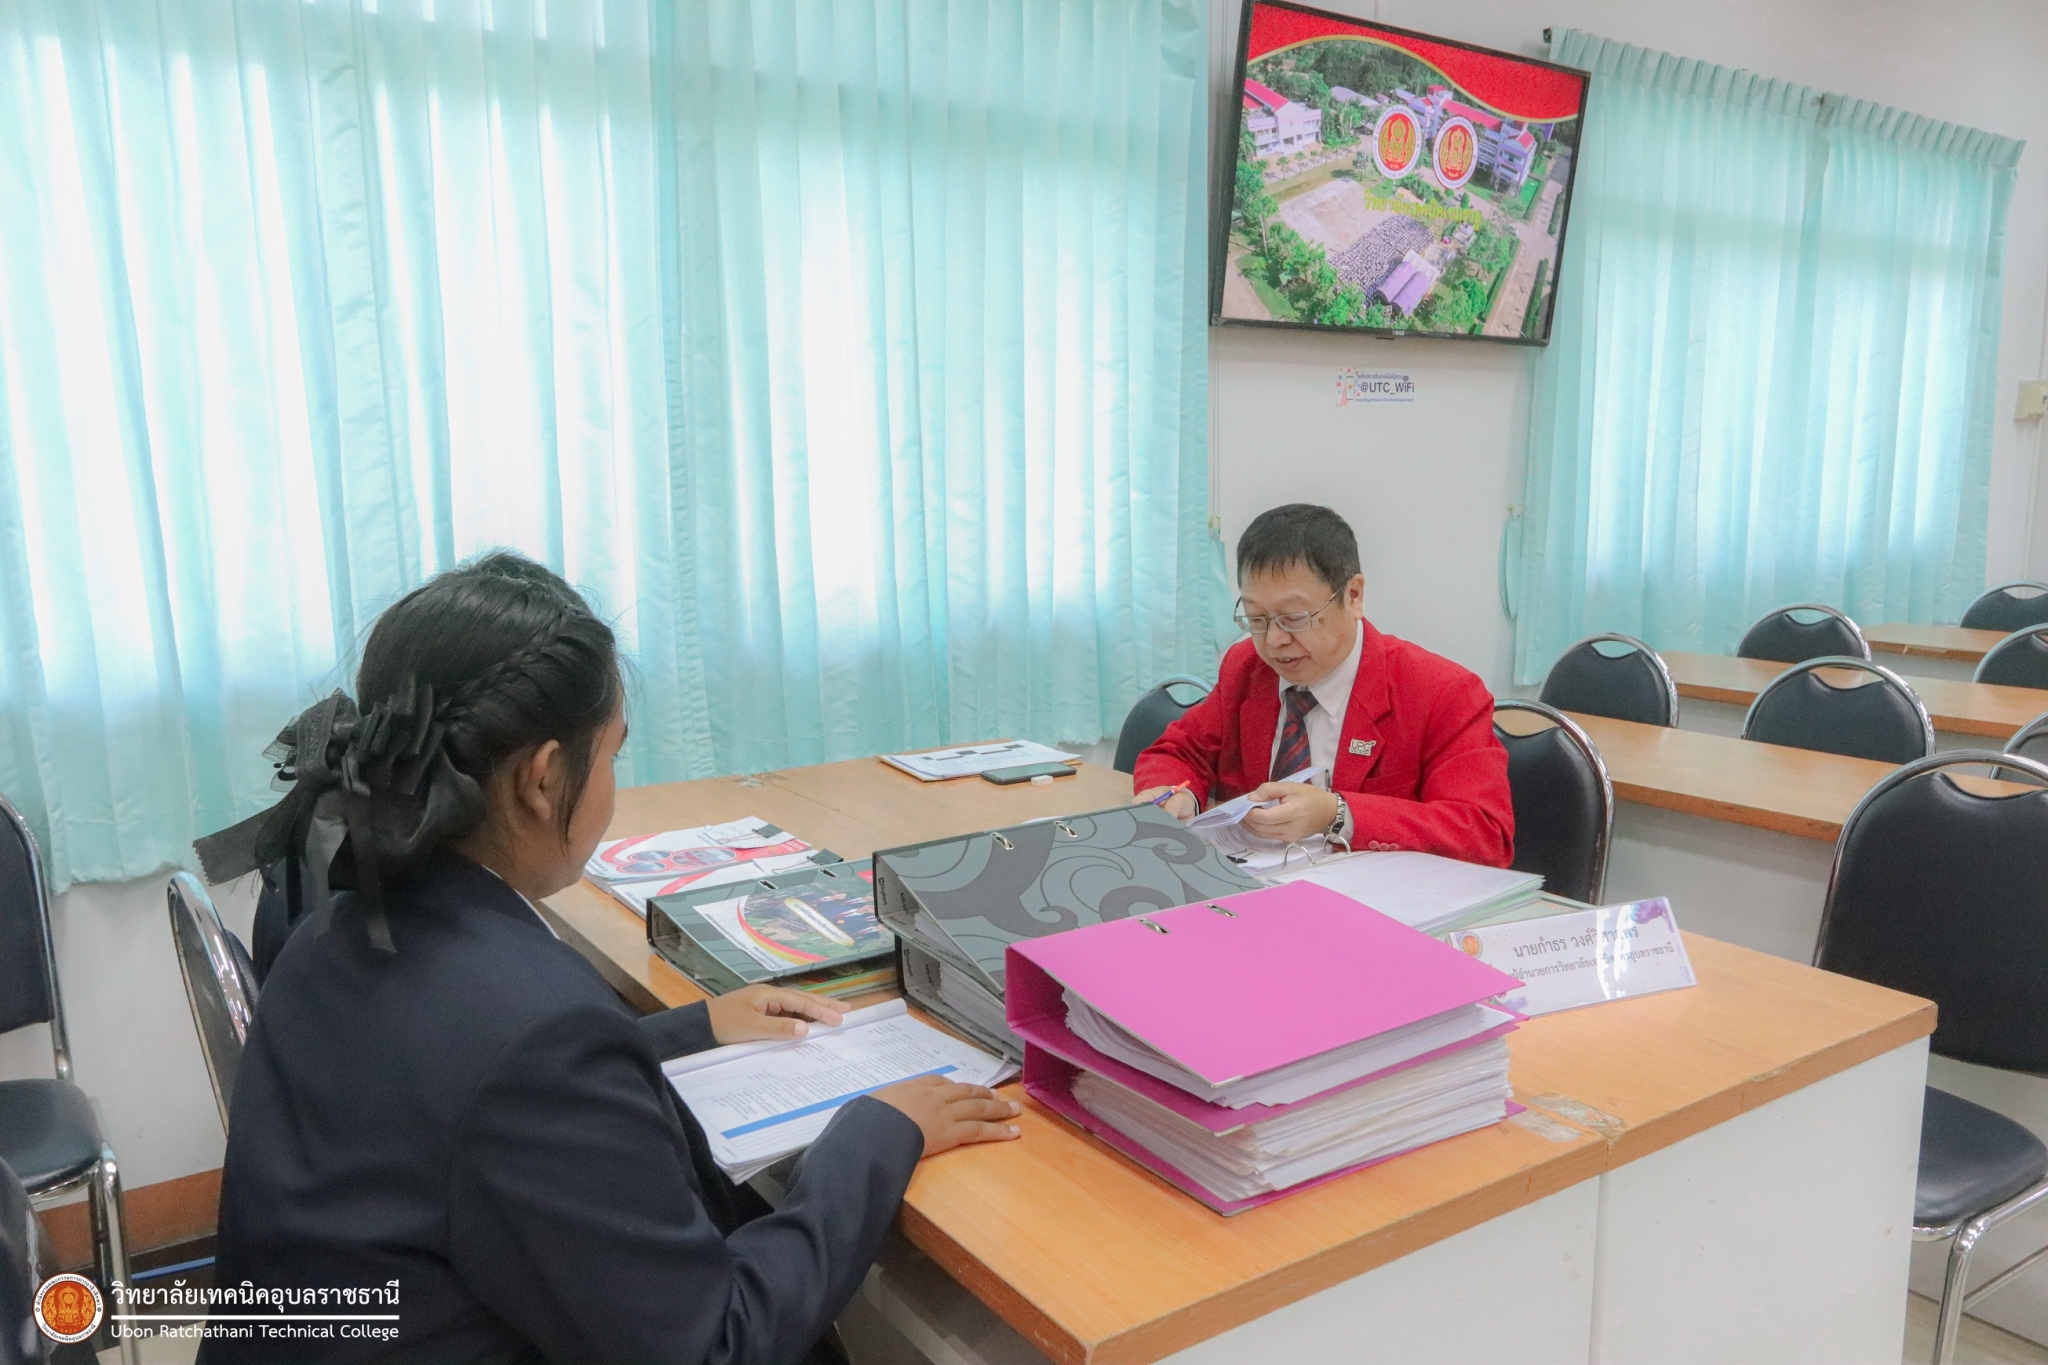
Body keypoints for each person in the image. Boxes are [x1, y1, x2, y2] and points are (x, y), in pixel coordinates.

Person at [197, 552, 1020, 1364]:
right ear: (542, 778)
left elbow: (455, 1079)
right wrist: (871, 1137)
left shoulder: (341, 915)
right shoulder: (536, 1033)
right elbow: (714, 1344)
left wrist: (692, 1027)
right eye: (613, 751)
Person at [1134, 504, 1513, 866]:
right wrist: (1179, 794)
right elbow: (1178, 753)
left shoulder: (1442, 692)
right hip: (1254, 886)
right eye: (1257, 618)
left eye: (1294, 618)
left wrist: (1338, 814)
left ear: (1353, 596)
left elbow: (1485, 834)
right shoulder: (1247, 667)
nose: (1274, 641)